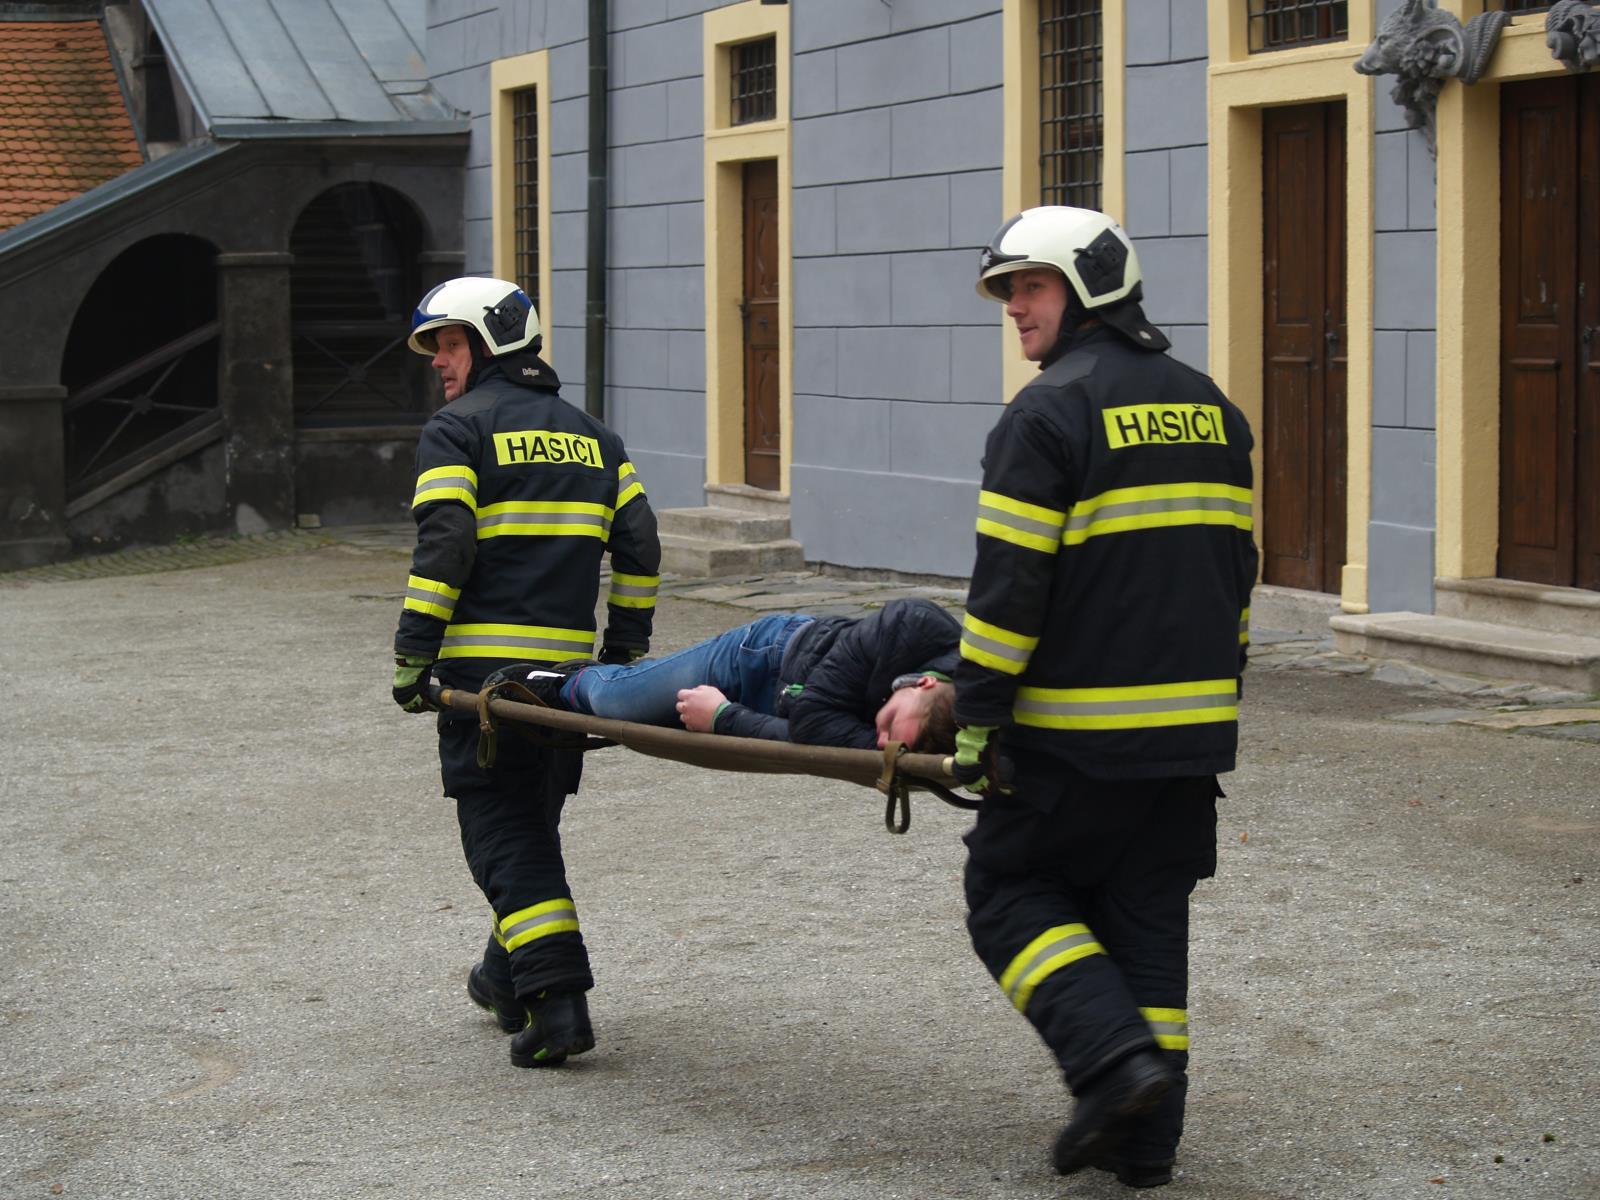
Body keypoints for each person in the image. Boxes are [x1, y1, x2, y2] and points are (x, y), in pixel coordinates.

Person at [951, 207, 1258, 1187]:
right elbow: (1237, 577)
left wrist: (975, 717)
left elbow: (1008, 592)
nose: (1014, 307)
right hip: (1188, 743)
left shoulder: (1045, 414)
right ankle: (1146, 1143)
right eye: (1007, 291)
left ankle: (1110, 1063)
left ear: (1087, 289)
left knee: (1006, 893)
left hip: (1072, 743)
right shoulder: (1214, 409)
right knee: (1145, 920)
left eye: (1030, 286)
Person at [389, 276, 661, 1069]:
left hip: (484, 684)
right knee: (529, 823)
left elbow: (446, 545)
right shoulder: (597, 438)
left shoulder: (456, 430)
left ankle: (556, 1000)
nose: (438, 361)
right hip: (566, 686)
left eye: (449, 343)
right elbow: (641, 547)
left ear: (489, 343)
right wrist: (622, 657)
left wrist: (412, 655)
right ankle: (503, 980)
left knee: (503, 835)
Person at [497, 596, 960, 754]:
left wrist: (723, 718)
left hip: (778, 707)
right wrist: (724, 717)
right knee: (617, 704)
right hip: (761, 654)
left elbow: (817, 735)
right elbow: (813, 725)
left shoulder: (963, 710)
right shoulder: (911, 624)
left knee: (654, 719)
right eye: (889, 726)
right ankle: (566, 682)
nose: (881, 744)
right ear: (922, 682)